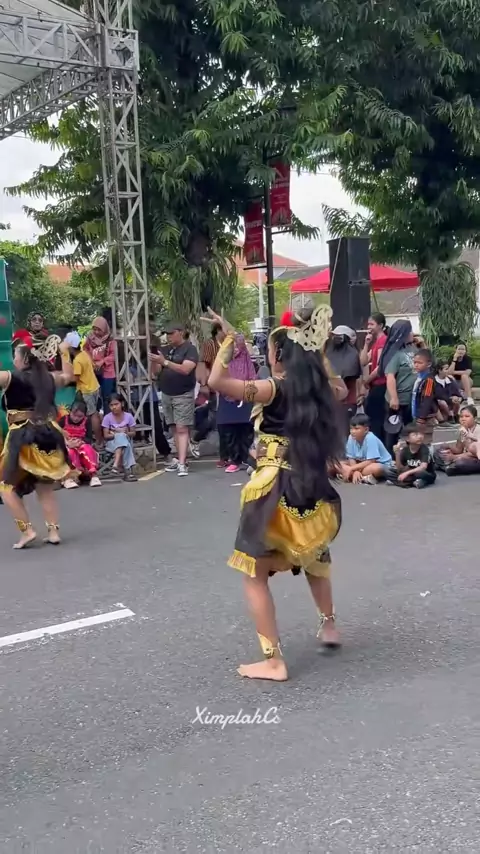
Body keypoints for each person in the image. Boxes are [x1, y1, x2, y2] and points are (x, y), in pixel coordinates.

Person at [206, 304, 344, 682]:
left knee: (255, 573)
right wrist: (315, 350)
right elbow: (338, 385)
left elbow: (217, 381)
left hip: (273, 487)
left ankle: (273, 661)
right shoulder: (322, 390)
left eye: (269, 348)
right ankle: (329, 625)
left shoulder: (272, 389)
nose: (266, 354)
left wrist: (227, 346)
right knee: (315, 556)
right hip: (311, 483)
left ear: (279, 354)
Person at [0, 341, 73, 548]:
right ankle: (53, 532)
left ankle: (27, 531)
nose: (14, 360)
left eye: (15, 356)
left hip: (23, 436)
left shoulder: (11, 377)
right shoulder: (49, 378)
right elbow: (68, 376)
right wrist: (64, 352)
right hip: (48, 434)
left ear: (24, 358)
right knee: (45, 487)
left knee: (5, 487)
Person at [150, 321, 199, 477]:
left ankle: (183, 463)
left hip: (183, 393)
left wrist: (165, 362)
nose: (169, 336)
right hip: (166, 393)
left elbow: (186, 369)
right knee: (173, 428)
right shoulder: (165, 349)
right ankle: (180, 459)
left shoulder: (190, 349)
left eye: (172, 333)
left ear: (181, 332)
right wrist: (155, 361)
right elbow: (156, 372)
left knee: (182, 428)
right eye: (167, 334)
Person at [215, 334, 256, 472]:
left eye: (238, 346)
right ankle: (234, 460)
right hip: (227, 396)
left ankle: (249, 460)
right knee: (230, 430)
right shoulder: (224, 360)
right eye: (233, 346)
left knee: (246, 430)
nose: (236, 349)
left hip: (245, 397)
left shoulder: (246, 359)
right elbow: (217, 378)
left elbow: (252, 377)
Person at [379, 319, 415, 451]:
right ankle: (391, 456)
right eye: (410, 331)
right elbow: (390, 376)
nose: (412, 334)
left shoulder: (413, 348)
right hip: (397, 400)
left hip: (411, 399)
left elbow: (428, 361)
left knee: (411, 431)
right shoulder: (394, 353)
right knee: (393, 431)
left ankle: (408, 456)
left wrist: (423, 345)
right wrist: (394, 398)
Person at [66, 331, 103, 444]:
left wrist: (64, 377)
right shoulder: (84, 354)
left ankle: (99, 441)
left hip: (87, 390)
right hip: (94, 386)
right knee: (94, 413)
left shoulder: (77, 360)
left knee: (92, 415)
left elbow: (75, 378)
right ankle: (97, 438)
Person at [324, 325, 362, 431]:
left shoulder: (352, 354)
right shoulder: (328, 353)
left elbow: (353, 375)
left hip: (347, 402)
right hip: (331, 401)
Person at [338, 413, 392, 484]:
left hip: (379, 464)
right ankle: (360, 476)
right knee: (337, 464)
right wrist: (355, 471)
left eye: (356, 429)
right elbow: (351, 458)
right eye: (351, 428)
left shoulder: (370, 438)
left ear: (366, 430)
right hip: (360, 463)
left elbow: (371, 461)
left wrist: (351, 469)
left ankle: (351, 475)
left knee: (376, 468)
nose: (352, 431)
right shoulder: (351, 437)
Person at [58, 400, 101, 489]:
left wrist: (79, 442)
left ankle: (93, 475)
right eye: (74, 415)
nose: (76, 418)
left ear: (84, 416)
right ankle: (69, 478)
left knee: (87, 449)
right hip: (67, 444)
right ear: (70, 412)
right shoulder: (63, 420)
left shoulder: (87, 421)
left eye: (80, 416)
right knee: (70, 452)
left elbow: (89, 438)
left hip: (80, 443)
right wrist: (68, 443)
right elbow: (56, 435)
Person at [361, 313, 388, 441]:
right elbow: (363, 361)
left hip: (380, 385)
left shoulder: (383, 341)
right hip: (374, 385)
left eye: (372, 324)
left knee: (376, 419)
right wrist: (366, 343)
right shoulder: (375, 342)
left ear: (381, 325)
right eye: (368, 324)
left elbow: (379, 367)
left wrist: (367, 380)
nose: (369, 327)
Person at [386, 423, 436, 488]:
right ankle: (413, 482)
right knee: (388, 471)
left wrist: (406, 473)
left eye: (421, 434)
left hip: (426, 473)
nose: (419, 436)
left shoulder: (424, 449)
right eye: (415, 435)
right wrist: (397, 453)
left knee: (419, 473)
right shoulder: (405, 450)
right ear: (407, 439)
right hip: (411, 472)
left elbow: (423, 467)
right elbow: (400, 469)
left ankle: (404, 481)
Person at [435, 404, 480, 476]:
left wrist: (454, 457)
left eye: (467, 416)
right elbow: (459, 449)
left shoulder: (478, 430)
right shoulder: (462, 430)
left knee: (460, 462)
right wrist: (448, 447)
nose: (463, 419)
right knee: (438, 452)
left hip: (475, 458)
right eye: (461, 416)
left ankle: (447, 467)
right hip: (464, 455)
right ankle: (448, 467)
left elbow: (474, 453)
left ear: (475, 419)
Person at [101, 393, 137, 481]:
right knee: (123, 440)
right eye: (111, 405)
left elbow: (133, 433)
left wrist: (126, 433)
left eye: (116, 404)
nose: (114, 407)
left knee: (123, 440)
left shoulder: (128, 416)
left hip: (125, 441)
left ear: (122, 404)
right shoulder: (107, 418)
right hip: (111, 444)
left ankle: (115, 466)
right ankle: (128, 472)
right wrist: (116, 434)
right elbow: (106, 436)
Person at [83, 317, 116, 408]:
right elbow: (85, 349)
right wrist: (91, 360)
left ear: (104, 329)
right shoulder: (90, 338)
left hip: (107, 372)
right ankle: (96, 415)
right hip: (93, 371)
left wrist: (102, 361)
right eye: (94, 329)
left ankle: (107, 415)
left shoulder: (111, 339)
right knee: (94, 396)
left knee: (107, 397)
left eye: (99, 330)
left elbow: (113, 355)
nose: (96, 332)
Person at [411, 348, 440, 445]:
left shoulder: (429, 380)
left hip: (425, 417)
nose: (416, 365)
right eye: (415, 362)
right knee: (418, 439)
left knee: (425, 439)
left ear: (429, 364)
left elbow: (427, 398)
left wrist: (422, 417)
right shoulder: (419, 377)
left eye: (420, 363)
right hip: (417, 414)